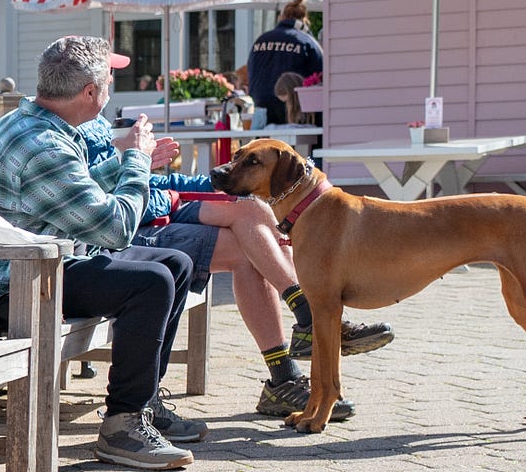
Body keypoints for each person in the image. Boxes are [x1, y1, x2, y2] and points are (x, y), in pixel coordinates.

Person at [0, 35, 204, 471]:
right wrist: (138, 163)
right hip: (11, 282)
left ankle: (141, 403)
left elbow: (72, 192)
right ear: (90, 92)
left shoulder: (35, 123)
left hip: (44, 261)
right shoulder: (44, 144)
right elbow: (115, 229)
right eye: (109, 82)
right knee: (151, 283)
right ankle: (122, 428)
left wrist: (126, 156)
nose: (110, 90)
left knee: (176, 264)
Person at [80, 115, 394, 420]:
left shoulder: (94, 122)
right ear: (88, 89)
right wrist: (156, 181)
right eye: (108, 73)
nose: (110, 79)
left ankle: (297, 346)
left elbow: (151, 181)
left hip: (157, 208)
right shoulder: (63, 129)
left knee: (253, 209)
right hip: (128, 231)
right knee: (248, 241)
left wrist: (215, 182)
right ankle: (301, 337)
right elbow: (97, 203)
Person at [247, 0, 322, 127]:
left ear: (281, 17)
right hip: (294, 111)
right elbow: (320, 76)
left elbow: (251, 70)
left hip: (262, 109)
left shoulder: (261, 39)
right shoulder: (307, 41)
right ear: (304, 20)